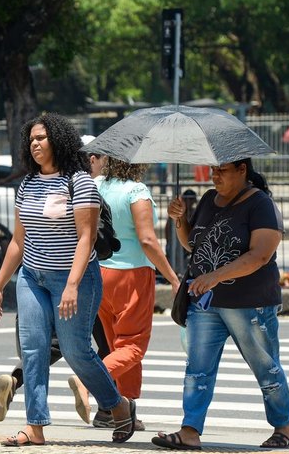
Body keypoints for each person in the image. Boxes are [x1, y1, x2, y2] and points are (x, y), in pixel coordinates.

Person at [0, 113, 136, 447]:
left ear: (58, 140)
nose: (35, 144)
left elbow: (85, 238)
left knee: (76, 351)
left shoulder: (79, 182)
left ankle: (118, 405)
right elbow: (17, 240)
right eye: (31, 140)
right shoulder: (27, 183)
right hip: (32, 276)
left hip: (76, 279)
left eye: (41, 138)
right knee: (34, 349)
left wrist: (71, 284)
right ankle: (35, 426)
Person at [155, 158, 289, 450]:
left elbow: (260, 256)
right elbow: (194, 245)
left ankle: (283, 426)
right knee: (197, 369)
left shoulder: (261, 204)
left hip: (250, 303)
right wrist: (180, 221)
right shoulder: (208, 199)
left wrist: (216, 276)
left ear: (242, 170)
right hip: (206, 304)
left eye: (222, 170)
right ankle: (190, 430)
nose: (214, 175)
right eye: (212, 170)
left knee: (266, 367)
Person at [92, 157, 180, 431]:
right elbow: (147, 240)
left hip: (100, 273)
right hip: (132, 274)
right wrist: (174, 278)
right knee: (133, 346)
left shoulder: (96, 185)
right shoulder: (136, 191)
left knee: (119, 346)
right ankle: (89, 379)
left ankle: (127, 408)